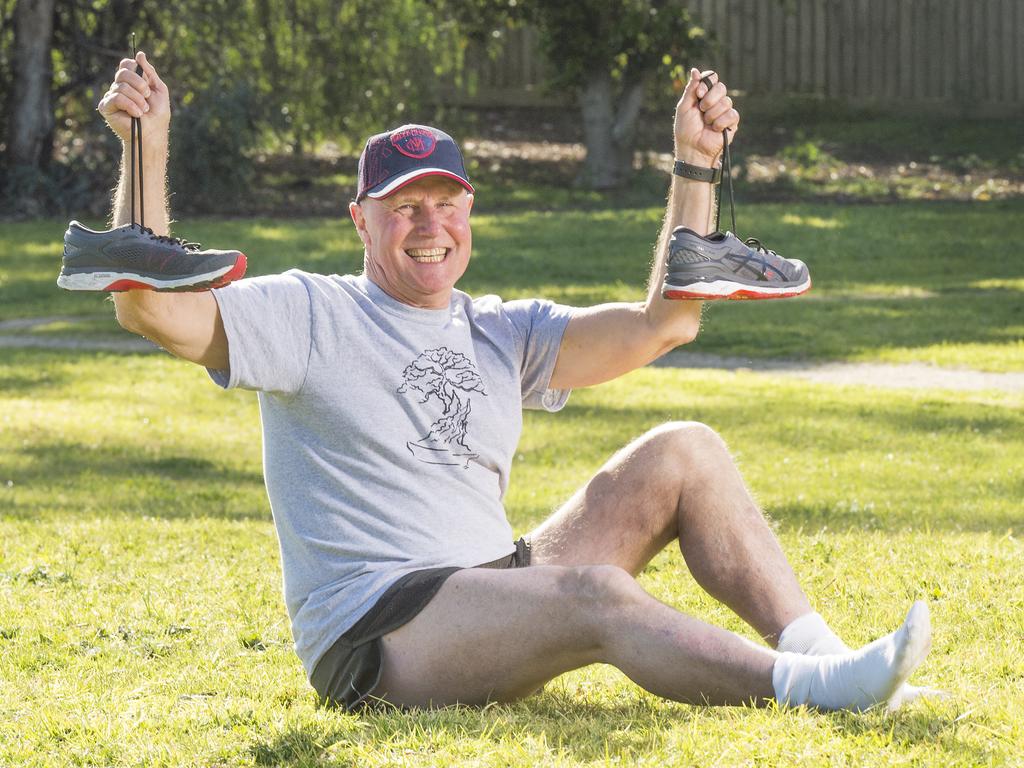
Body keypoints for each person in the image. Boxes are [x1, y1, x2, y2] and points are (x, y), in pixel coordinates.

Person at [93, 51, 934, 712]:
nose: (430, 226)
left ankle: (826, 654)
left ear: (469, 211)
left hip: (495, 584)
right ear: (361, 219)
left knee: (687, 450)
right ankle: (809, 690)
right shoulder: (310, 312)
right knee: (598, 595)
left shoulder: (496, 326)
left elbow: (664, 323)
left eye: (445, 203)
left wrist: (694, 164)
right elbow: (154, 314)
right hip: (384, 633)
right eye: (403, 207)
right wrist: (148, 144)